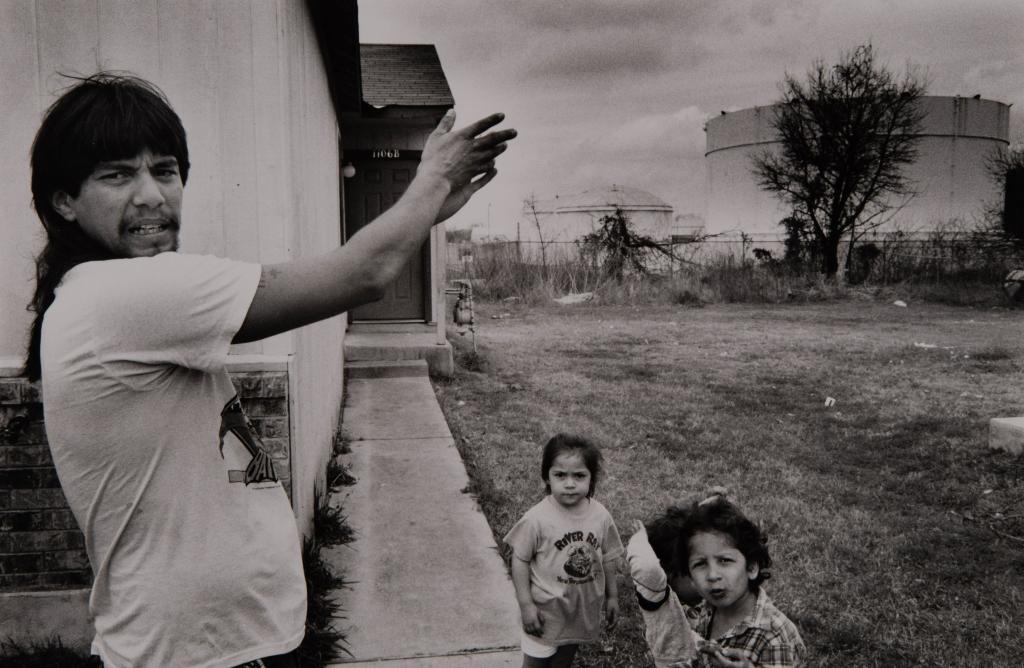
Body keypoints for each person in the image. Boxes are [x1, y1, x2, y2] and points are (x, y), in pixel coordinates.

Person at [24, 72, 515, 668]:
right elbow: (361, 275)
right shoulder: (118, 295)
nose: (151, 195)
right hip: (195, 654)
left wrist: (425, 210)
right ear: (63, 200)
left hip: (222, 644)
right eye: (117, 174)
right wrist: (430, 181)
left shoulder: (108, 296)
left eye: (166, 170)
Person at [503, 434, 624, 668]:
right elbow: (520, 560)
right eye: (560, 475)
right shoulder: (536, 519)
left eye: (579, 476)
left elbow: (608, 556)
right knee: (536, 664)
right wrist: (526, 605)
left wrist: (612, 597)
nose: (569, 483)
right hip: (544, 613)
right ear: (546, 477)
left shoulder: (600, 516)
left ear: (592, 478)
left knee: (563, 661)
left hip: (580, 611)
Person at [676, 496, 806, 668]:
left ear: (751, 568)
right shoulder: (704, 610)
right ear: (691, 578)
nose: (713, 575)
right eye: (700, 564)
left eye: (724, 560)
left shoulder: (774, 637)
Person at [626, 508, 701, 668]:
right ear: (668, 572)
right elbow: (647, 566)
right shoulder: (656, 593)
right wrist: (639, 537)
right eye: (694, 574)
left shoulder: (693, 597)